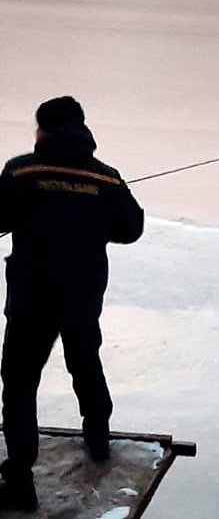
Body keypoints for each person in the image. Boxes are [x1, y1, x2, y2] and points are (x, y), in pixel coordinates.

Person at [0, 96, 144, 512]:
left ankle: (21, 480)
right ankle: (98, 438)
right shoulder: (107, 179)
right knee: (85, 361)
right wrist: (92, 224)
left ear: (42, 130)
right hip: (82, 292)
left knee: (20, 382)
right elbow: (131, 228)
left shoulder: (21, 170)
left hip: (32, 295)